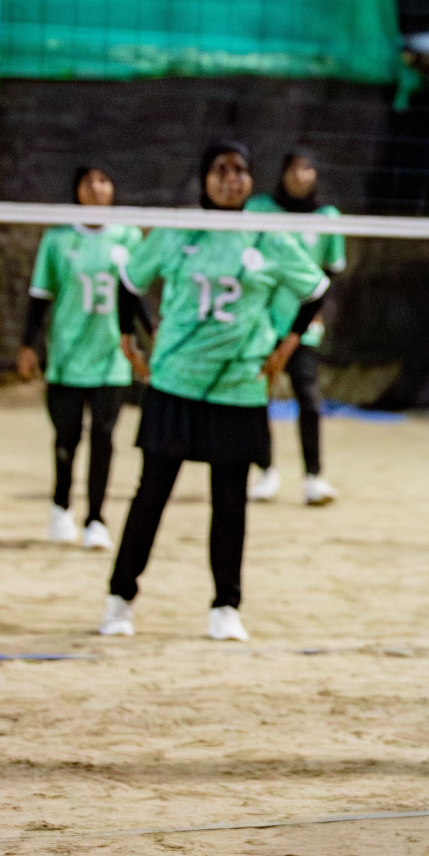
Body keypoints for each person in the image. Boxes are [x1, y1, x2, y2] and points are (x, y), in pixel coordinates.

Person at [99, 141, 329, 642]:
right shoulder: (178, 230)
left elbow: (315, 289)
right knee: (151, 495)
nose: (232, 179)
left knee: (230, 503)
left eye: (241, 171)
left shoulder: (268, 238)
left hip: (238, 387)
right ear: (204, 177)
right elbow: (128, 279)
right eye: (221, 170)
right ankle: (120, 598)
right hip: (174, 383)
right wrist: (128, 334)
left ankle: (226, 606)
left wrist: (287, 345)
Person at [17, 166, 144, 549]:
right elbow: (41, 298)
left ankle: (96, 519)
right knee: (67, 438)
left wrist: (146, 339)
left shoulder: (129, 237)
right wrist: (27, 346)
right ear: (77, 190)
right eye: (88, 182)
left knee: (104, 437)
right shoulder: (57, 239)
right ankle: (61, 508)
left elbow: (135, 296)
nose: (96, 188)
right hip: (68, 356)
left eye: (104, 180)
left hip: (112, 356)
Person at [245, 148, 348, 507]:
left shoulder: (327, 217)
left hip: (303, 326)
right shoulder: (259, 210)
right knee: (255, 399)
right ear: (283, 172)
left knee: (309, 399)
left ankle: (313, 477)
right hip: (260, 323)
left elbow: (331, 271)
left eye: (307, 169)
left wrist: (317, 311)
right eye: (293, 169)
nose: (300, 176)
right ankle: (265, 471)